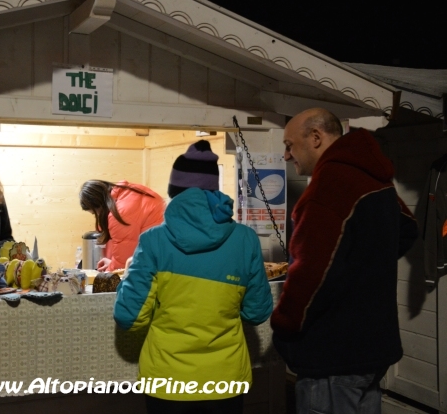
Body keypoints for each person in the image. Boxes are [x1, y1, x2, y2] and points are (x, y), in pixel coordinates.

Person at [271, 108, 418, 414]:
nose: (286, 155)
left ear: (315, 138)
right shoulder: (371, 176)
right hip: (373, 349)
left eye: (289, 145)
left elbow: (311, 273)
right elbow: (407, 228)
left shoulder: (329, 188)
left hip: (333, 354)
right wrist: (361, 270)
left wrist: (283, 328)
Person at [114, 140, 273, 413]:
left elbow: (130, 316)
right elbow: (257, 312)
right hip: (224, 379)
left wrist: (129, 277)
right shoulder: (245, 239)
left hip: (168, 381)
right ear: (213, 189)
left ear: (175, 192)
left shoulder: (153, 241)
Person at [79, 179, 165, 271]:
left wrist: (105, 275)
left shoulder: (119, 213)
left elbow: (123, 263)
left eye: (95, 213)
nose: (98, 217)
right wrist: (113, 263)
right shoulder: (131, 191)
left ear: (99, 205)